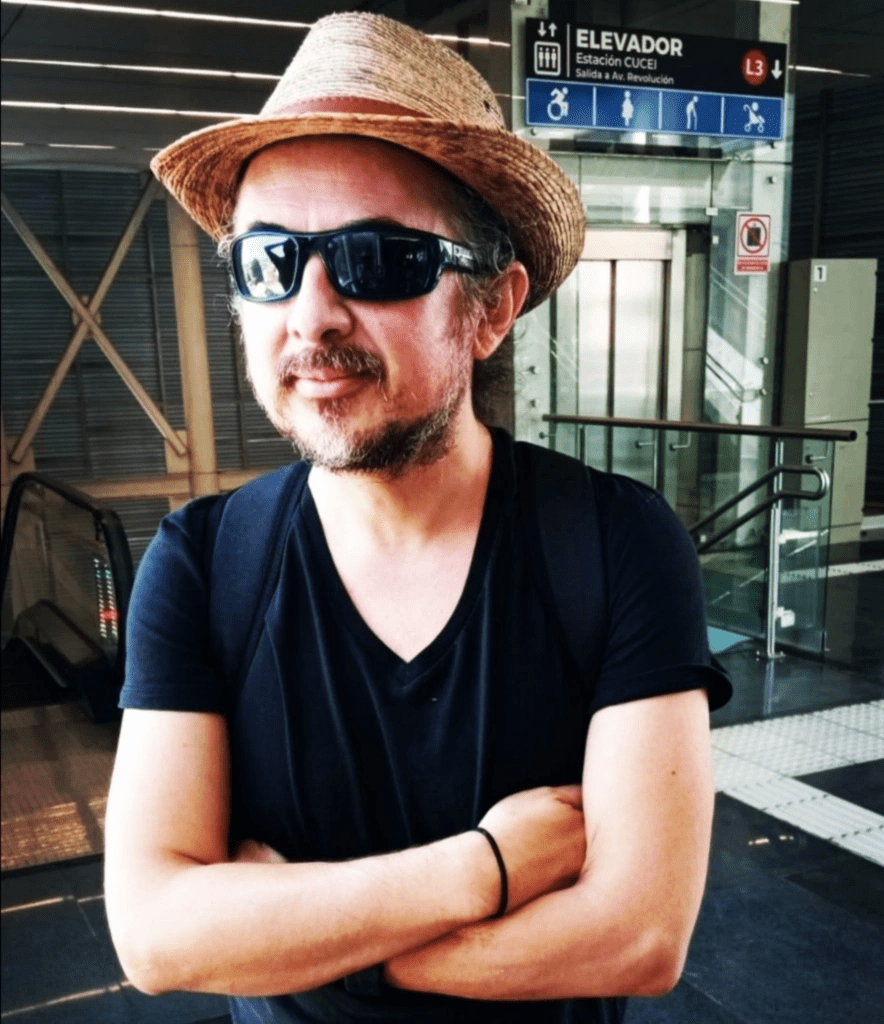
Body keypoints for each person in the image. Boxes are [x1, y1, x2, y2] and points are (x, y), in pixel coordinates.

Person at [104, 12, 731, 1024]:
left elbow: (636, 936)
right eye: (268, 262)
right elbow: (156, 935)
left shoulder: (613, 544)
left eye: (377, 259)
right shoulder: (203, 562)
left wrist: (293, 938)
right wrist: (481, 868)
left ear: (491, 309)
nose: (310, 313)